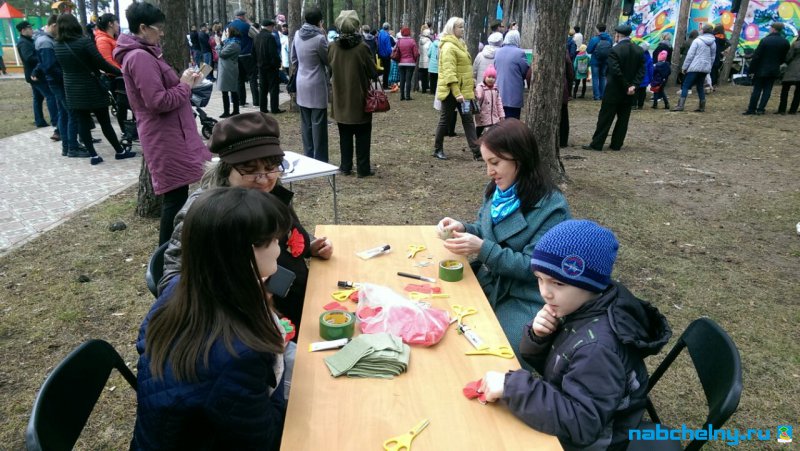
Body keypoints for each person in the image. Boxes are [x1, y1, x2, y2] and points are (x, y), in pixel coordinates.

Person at [476, 219, 672, 451]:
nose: (545, 292)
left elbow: (582, 424)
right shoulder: (579, 307)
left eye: (558, 283)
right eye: (539, 278)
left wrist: (514, 388)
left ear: (591, 284)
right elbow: (558, 367)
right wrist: (539, 337)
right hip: (566, 404)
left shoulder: (597, 348)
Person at [133, 187, 292, 450]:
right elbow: (265, 440)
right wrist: (276, 356)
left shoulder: (179, 290)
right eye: (274, 240)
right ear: (247, 252)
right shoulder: (239, 354)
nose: (279, 247)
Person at [160, 112, 334, 332]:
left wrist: (309, 244)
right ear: (226, 169)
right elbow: (172, 281)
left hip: (298, 300)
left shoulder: (269, 189)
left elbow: (286, 231)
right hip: (251, 321)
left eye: (271, 167)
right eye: (250, 171)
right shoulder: (203, 212)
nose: (263, 179)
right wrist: (235, 292)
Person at [436, 119, 570, 358]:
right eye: (486, 163)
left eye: (495, 163)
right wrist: (464, 228)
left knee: (495, 351)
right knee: (443, 314)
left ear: (520, 157)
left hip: (524, 296)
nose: (489, 172)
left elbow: (533, 267)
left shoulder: (552, 207)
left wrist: (483, 249)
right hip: (491, 281)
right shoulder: (498, 191)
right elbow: (487, 231)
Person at [115, 1, 211, 246]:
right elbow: (157, 101)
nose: (162, 33)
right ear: (143, 27)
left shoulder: (144, 54)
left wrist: (183, 81)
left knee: (178, 195)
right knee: (175, 198)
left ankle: (173, 251)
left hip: (170, 133)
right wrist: (184, 86)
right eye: (158, 29)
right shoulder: (140, 57)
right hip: (164, 137)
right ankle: (166, 255)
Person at [53, 13, 135, 165]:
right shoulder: (84, 42)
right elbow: (101, 63)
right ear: (75, 25)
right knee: (104, 122)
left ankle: (93, 155)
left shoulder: (57, 45)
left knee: (82, 123)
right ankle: (119, 151)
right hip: (92, 87)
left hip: (72, 89)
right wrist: (121, 72)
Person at [329, 11, 376, 178]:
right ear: (356, 26)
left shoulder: (332, 47)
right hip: (359, 98)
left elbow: (329, 69)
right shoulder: (362, 47)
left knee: (345, 135)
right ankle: (363, 169)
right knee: (363, 135)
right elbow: (373, 72)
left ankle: (345, 166)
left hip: (340, 98)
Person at [582, 24, 643, 152]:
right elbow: (641, 71)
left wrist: (627, 86)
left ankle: (597, 144)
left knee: (605, 118)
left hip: (614, 90)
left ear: (618, 35)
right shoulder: (638, 50)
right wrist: (633, 86)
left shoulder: (615, 50)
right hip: (630, 92)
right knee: (623, 119)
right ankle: (616, 144)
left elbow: (615, 72)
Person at [35, 14, 84, 158]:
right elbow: (49, 66)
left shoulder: (47, 40)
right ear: (54, 25)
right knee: (71, 113)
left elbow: (44, 64)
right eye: (60, 27)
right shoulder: (46, 42)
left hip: (56, 82)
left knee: (63, 113)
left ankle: (67, 146)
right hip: (58, 83)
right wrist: (66, 77)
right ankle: (72, 147)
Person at [432, 17, 479, 161]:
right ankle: (437, 149)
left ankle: (476, 151)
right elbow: (449, 73)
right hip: (451, 92)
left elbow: (463, 69)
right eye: (460, 27)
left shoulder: (460, 44)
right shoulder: (448, 47)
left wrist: (471, 83)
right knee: (445, 120)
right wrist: (457, 93)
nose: (463, 29)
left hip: (463, 90)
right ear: (452, 28)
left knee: (468, 120)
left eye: (463, 26)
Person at [292, 6, 330, 163]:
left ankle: (308, 155)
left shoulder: (297, 34)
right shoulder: (319, 39)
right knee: (318, 123)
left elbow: (294, 58)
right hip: (316, 83)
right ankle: (320, 159)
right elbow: (328, 60)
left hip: (301, 81)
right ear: (319, 21)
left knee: (306, 122)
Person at [17, 20, 59, 138]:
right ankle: (55, 121)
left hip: (34, 74)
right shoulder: (23, 43)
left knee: (38, 98)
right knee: (50, 96)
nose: (32, 30)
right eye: (29, 28)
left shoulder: (28, 40)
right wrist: (42, 56)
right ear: (23, 30)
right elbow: (29, 58)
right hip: (36, 75)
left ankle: (39, 121)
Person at [743, 22, 790, 115]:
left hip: (761, 68)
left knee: (757, 89)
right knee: (767, 90)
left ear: (773, 29)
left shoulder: (765, 40)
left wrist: (751, 69)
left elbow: (757, 56)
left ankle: (752, 109)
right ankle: (761, 109)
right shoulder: (785, 42)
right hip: (774, 69)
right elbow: (784, 57)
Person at [672, 24, 715, 112]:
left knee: (685, 85)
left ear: (703, 31)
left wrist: (684, 67)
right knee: (700, 86)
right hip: (705, 68)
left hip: (695, 66)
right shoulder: (713, 42)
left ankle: (680, 105)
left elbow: (690, 55)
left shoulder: (697, 41)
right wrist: (709, 67)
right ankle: (702, 106)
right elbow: (712, 57)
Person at [494, 30, 529, 119]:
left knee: (500, 119)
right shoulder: (520, 53)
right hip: (514, 93)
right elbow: (525, 70)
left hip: (499, 91)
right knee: (513, 119)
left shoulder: (498, 52)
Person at [229, 9, 259, 107]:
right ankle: (256, 102)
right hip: (247, 55)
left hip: (235, 56)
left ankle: (241, 102)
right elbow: (257, 35)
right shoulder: (246, 26)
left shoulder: (229, 26)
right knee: (252, 78)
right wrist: (250, 23)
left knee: (239, 79)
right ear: (242, 16)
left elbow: (225, 40)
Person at [255, 19, 283, 114]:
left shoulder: (257, 36)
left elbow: (253, 52)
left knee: (263, 88)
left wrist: (257, 63)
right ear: (269, 26)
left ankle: (263, 108)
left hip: (260, 66)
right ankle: (274, 108)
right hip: (271, 67)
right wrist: (277, 64)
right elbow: (273, 53)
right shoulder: (270, 37)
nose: (273, 29)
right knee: (273, 88)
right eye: (272, 27)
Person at [473, 65, 504, 137]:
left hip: (494, 116)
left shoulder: (495, 89)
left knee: (493, 134)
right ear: (485, 77)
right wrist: (475, 93)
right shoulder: (480, 87)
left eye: (493, 77)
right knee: (478, 132)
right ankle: (475, 142)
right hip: (482, 116)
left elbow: (499, 103)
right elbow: (478, 98)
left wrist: (501, 114)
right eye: (489, 77)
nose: (491, 79)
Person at [218, 26, 242, 118]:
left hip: (228, 70)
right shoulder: (231, 42)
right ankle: (230, 111)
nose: (226, 33)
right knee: (229, 90)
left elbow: (222, 54)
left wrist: (218, 44)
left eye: (227, 32)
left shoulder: (233, 44)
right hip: (227, 69)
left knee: (230, 90)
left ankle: (232, 111)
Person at [586, 24, 613, 100]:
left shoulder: (594, 39)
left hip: (595, 60)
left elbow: (589, 50)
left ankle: (596, 96)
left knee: (595, 78)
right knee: (603, 77)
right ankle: (603, 95)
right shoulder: (609, 39)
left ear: (597, 29)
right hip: (605, 61)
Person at [777, 36, 800, 115]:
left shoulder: (796, 44)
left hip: (792, 69)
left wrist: (785, 62)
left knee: (785, 90)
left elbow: (789, 56)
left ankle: (782, 109)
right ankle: (793, 110)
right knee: (798, 93)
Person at [395, 27, 419, 101]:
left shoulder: (399, 41)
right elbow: (416, 53)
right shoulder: (412, 41)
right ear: (409, 33)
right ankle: (408, 96)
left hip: (401, 63)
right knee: (408, 80)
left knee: (402, 79)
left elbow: (396, 51)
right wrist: (414, 60)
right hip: (410, 63)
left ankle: (402, 96)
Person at [560, 50, 574, 148]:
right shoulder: (563, 51)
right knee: (563, 115)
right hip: (561, 88)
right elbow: (570, 73)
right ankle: (562, 140)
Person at [633, 41, 652, 109]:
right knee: (642, 92)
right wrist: (650, 78)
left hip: (637, 77)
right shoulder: (648, 57)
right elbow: (650, 69)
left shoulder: (636, 55)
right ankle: (640, 105)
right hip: (645, 78)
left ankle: (634, 105)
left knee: (635, 91)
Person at [377, 22, 393, 89]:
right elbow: (388, 47)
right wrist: (391, 53)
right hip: (386, 55)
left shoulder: (380, 33)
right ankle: (385, 85)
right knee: (387, 70)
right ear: (388, 28)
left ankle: (384, 84)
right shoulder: (387, 35)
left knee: (384, 70)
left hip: (380, 54)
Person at [418, 28, 432, 94]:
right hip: (427, 60)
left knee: (423, 75)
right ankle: (427, 87)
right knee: (427, 75)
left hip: (421, 60)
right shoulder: (429, 42)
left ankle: (423, 89)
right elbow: (430, 52)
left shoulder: (420, 41)